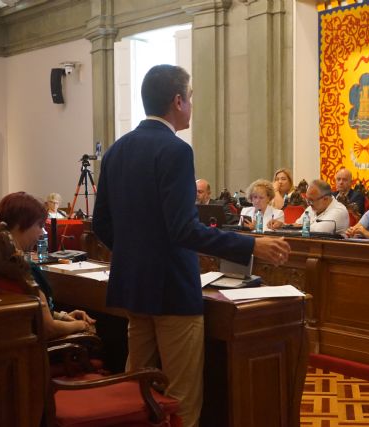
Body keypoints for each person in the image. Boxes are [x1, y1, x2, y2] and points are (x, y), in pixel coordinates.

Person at [92, 64, 290, 427]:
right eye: (191, 97)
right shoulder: (175, 150)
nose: (192, 105)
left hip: (134, 288)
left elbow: (101, 223)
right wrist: (250, 247)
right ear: (178, 101)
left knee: (137, 391)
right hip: (171, 290)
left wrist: (136, 255)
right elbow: (184, 230)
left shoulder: (116, 151)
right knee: (181, 398)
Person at [0, 192, 96, 339]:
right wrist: (82, 325)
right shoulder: (24, 268)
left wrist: (62, 316)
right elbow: (48, 328)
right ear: (22, 224)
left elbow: (34, 310)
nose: (43, 232)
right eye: (40, 225)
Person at [269, 179, 349, 235]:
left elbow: (317, 231)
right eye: (307, 200)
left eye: (311, 200)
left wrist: (292, 230)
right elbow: (298, 225)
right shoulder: (312, 207)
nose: (309, 204)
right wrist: (283, 226)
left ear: (325, 199)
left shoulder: (339, 211)